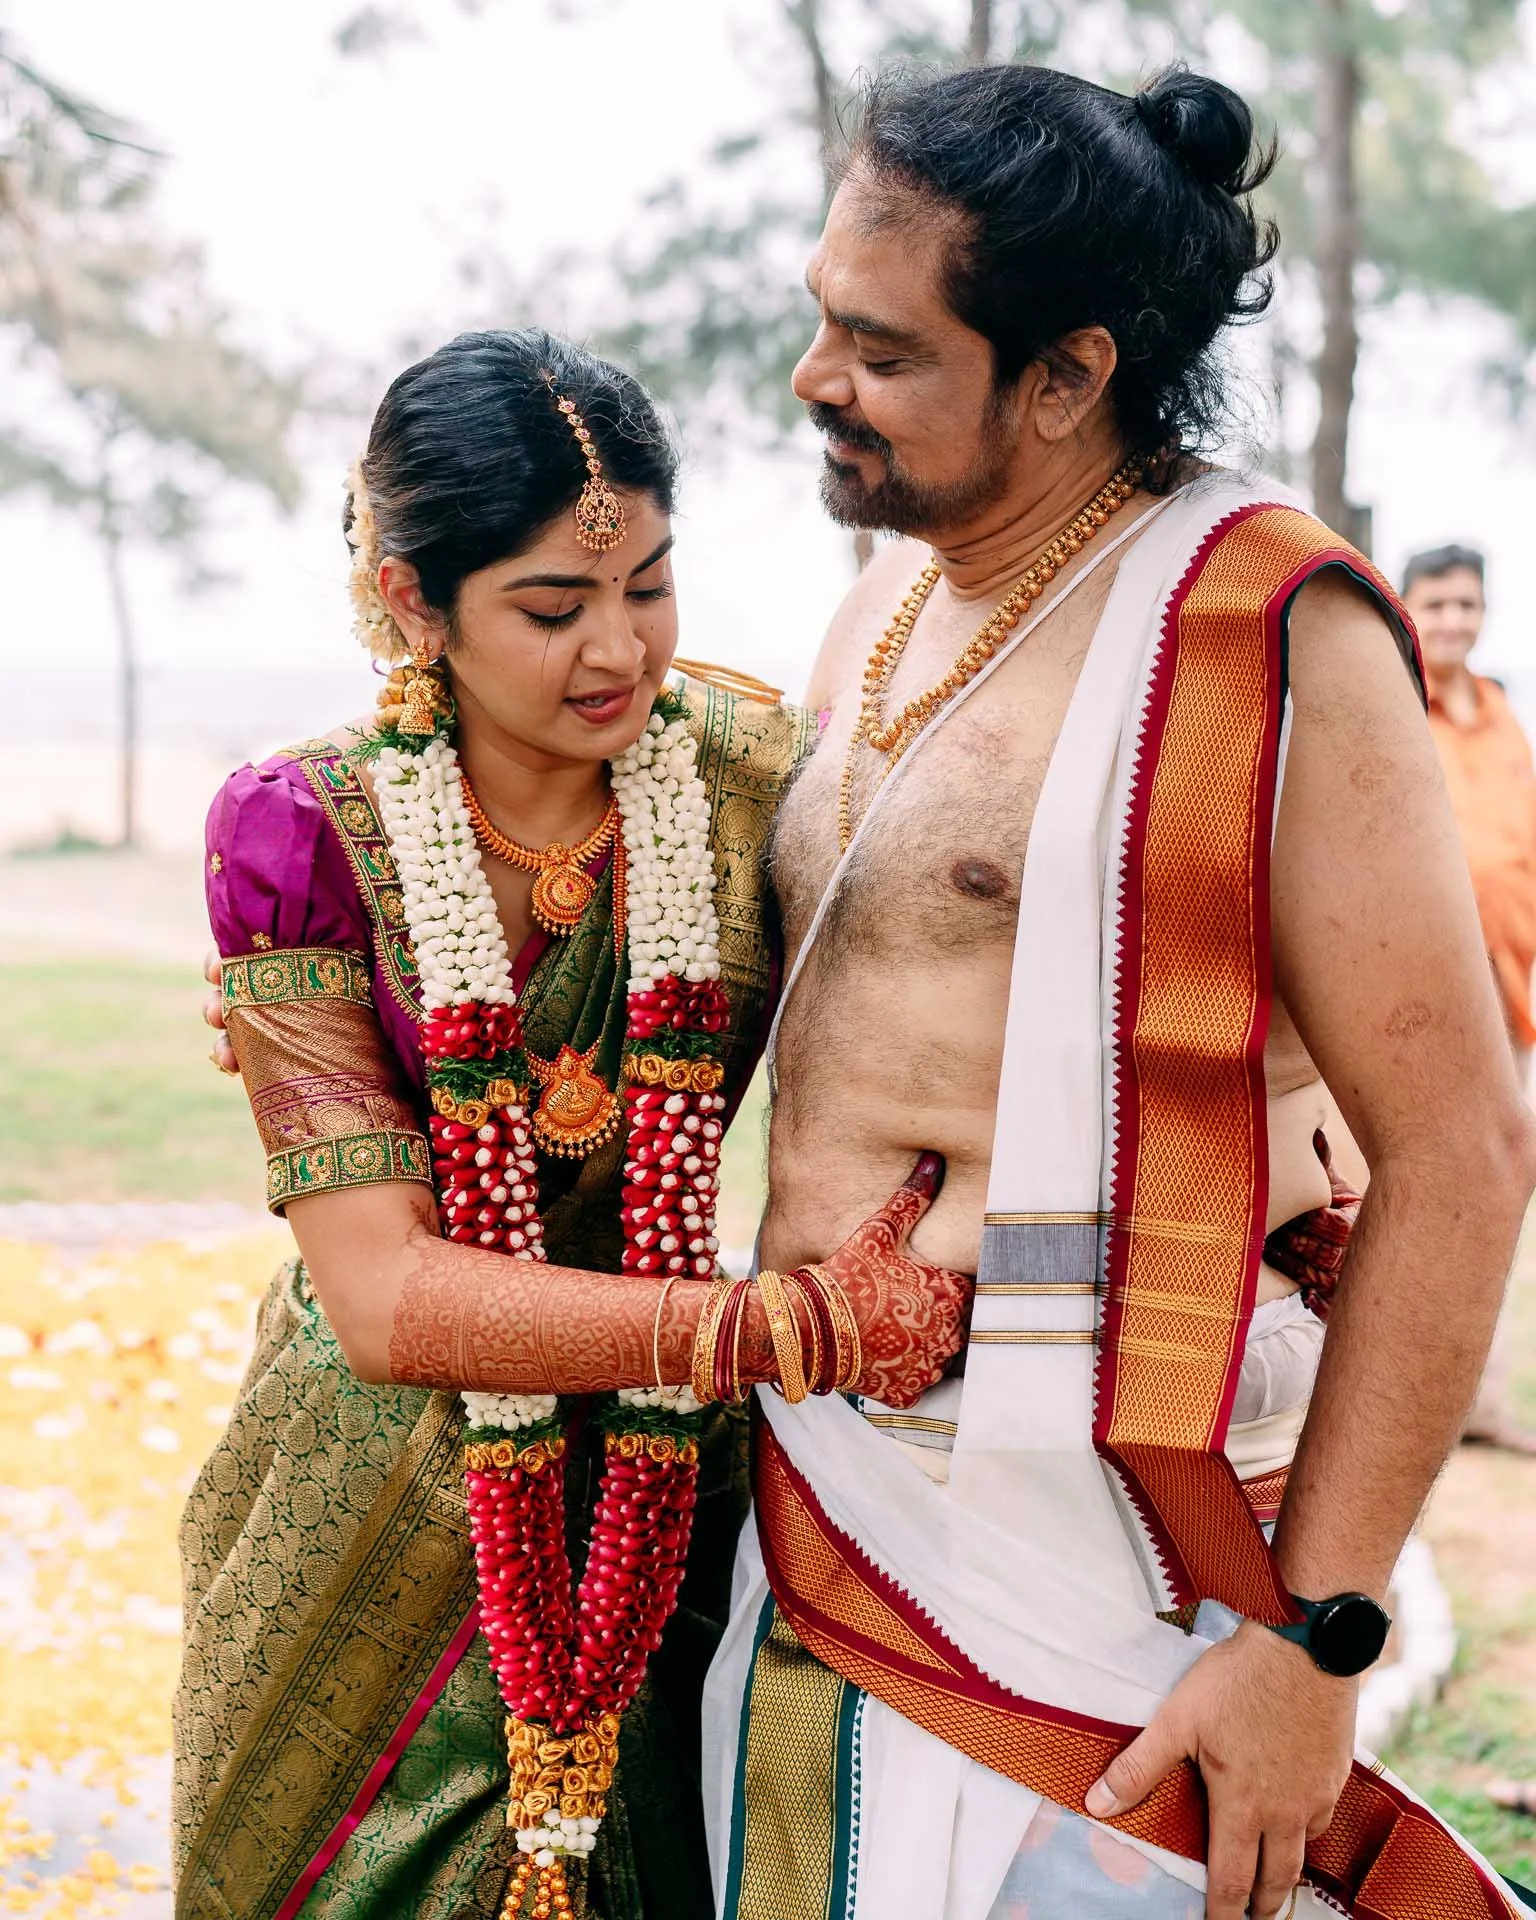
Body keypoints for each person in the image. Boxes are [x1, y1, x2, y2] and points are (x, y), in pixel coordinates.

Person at [701, 63, 1536, 1920]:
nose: (811, 378)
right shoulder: (888, 604)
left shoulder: (1268, 634)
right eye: (819, 320)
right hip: (839, 1500)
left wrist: (1310, 1641)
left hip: (1134, 1560)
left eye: (880, 348)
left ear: (1068, 374)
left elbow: (1464, 1153)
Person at [178, 329, 968, 1920]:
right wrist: (778, 1330)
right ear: (412, 600)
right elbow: (386, 1297)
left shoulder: (756, 777)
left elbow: (978, 975)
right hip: (380, 1512)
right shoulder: (299, 833)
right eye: (552, 607)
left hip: (673, 1491)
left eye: (650, 586)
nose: (620, 650)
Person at [1403, 543, 1536, 1455]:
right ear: (1407, 607)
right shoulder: (1392, 706)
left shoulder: (1498, 713)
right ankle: (1411, 1411)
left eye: (1468, 606)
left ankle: (1480, 1402)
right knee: (1413, 1195)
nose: (1454, 621)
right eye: (1437, 605)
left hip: (1514, 989)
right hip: (1423, 993)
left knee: (1497, 1193)